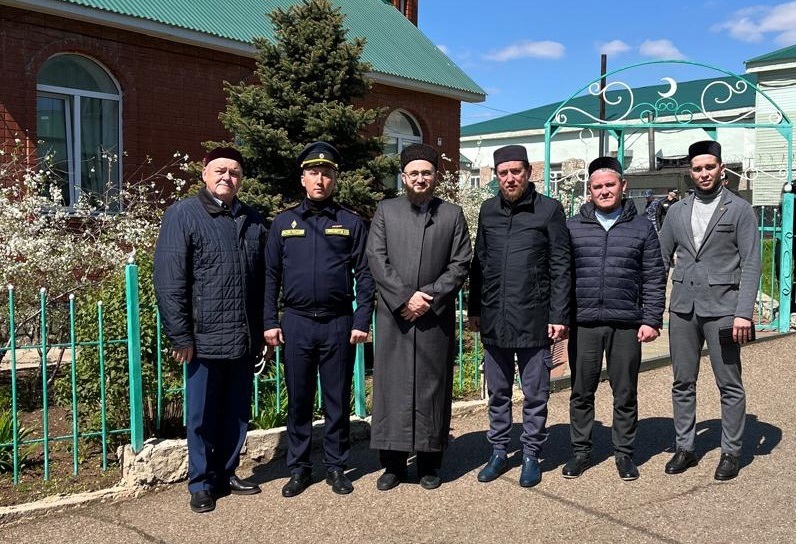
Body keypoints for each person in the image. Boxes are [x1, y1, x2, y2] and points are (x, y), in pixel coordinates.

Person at [154, 146, 268, 513]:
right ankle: (201, 482)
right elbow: (169, 280)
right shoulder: (183, 215)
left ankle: (226, 472)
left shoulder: (252, 219)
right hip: (202, 339)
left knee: (236, 412)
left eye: (234, 172)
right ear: (205, 174)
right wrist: (180, 334)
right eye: (220, 170)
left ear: (241, 179)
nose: (227, 177)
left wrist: (263, 330)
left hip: (243, 337)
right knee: (202, 415)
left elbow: (263, 281)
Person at [264, 141, 374, 497]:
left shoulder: (350, 222)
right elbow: (270, 276)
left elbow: (366, 274)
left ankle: (337, 466)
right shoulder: (284, 223)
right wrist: (270, 320)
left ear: (334, 179)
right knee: (298, 399)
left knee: (336, 400)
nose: (320, 180)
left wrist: (361, 319)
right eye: (314, 173)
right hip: (296, 323)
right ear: (303, 179)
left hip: (337, 323)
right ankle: (298, 468)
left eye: (326, 173)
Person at [366, 143, 471, 491]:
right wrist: (404, 297)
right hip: (395, 317)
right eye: (414, 173)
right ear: (403, 177)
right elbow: (376, 258)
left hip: (433, 318)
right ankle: (392, 465)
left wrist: (429, 297)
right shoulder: (386, 210)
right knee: (392, 389)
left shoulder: (452, 214)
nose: (420, 179)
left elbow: (460, 263)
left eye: (426, 173)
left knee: (431, 388)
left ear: (436, 176)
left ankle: (429, 463)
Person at [468, 144, 571, 488]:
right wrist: (474, 308)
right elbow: (479, 262)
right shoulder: (488, 211)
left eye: (516, 171)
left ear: (528, 172)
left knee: (535, 394)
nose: (510, 178)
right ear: (496, 176)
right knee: (497, 393)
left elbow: (561, 266)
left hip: (534, 317)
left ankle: (530, 454)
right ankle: (498, 452)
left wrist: (559, 314)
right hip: (494, 317)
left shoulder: (549, 210)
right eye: (503, 173)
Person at [658, 140, 761, 481]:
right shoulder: (677, 211)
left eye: (709, 167)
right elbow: (660, 259)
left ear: (721, 169)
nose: (704, 173)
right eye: (698, 168)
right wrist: (653, 309)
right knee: (682, 381)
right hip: (683, 310)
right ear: (691, 172)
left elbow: (751, 263)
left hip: (724, 311)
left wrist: (743, 312)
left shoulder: (739, 209)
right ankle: (685, 447)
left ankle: (731, 452)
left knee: (728, 383)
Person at [564, 157, 666, 481]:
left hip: (626, 323)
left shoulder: (642, 227)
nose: (604, 191)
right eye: (598, 186)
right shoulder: (573, 227)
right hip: (584, 322)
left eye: (610, 185)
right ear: (589, 190)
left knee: (624, 392)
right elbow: (561, 276)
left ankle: (624, 453)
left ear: (623, 186)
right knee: (582, 391)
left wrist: (651, 318)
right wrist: (560, 317)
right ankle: (581, 452)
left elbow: (654, 276)